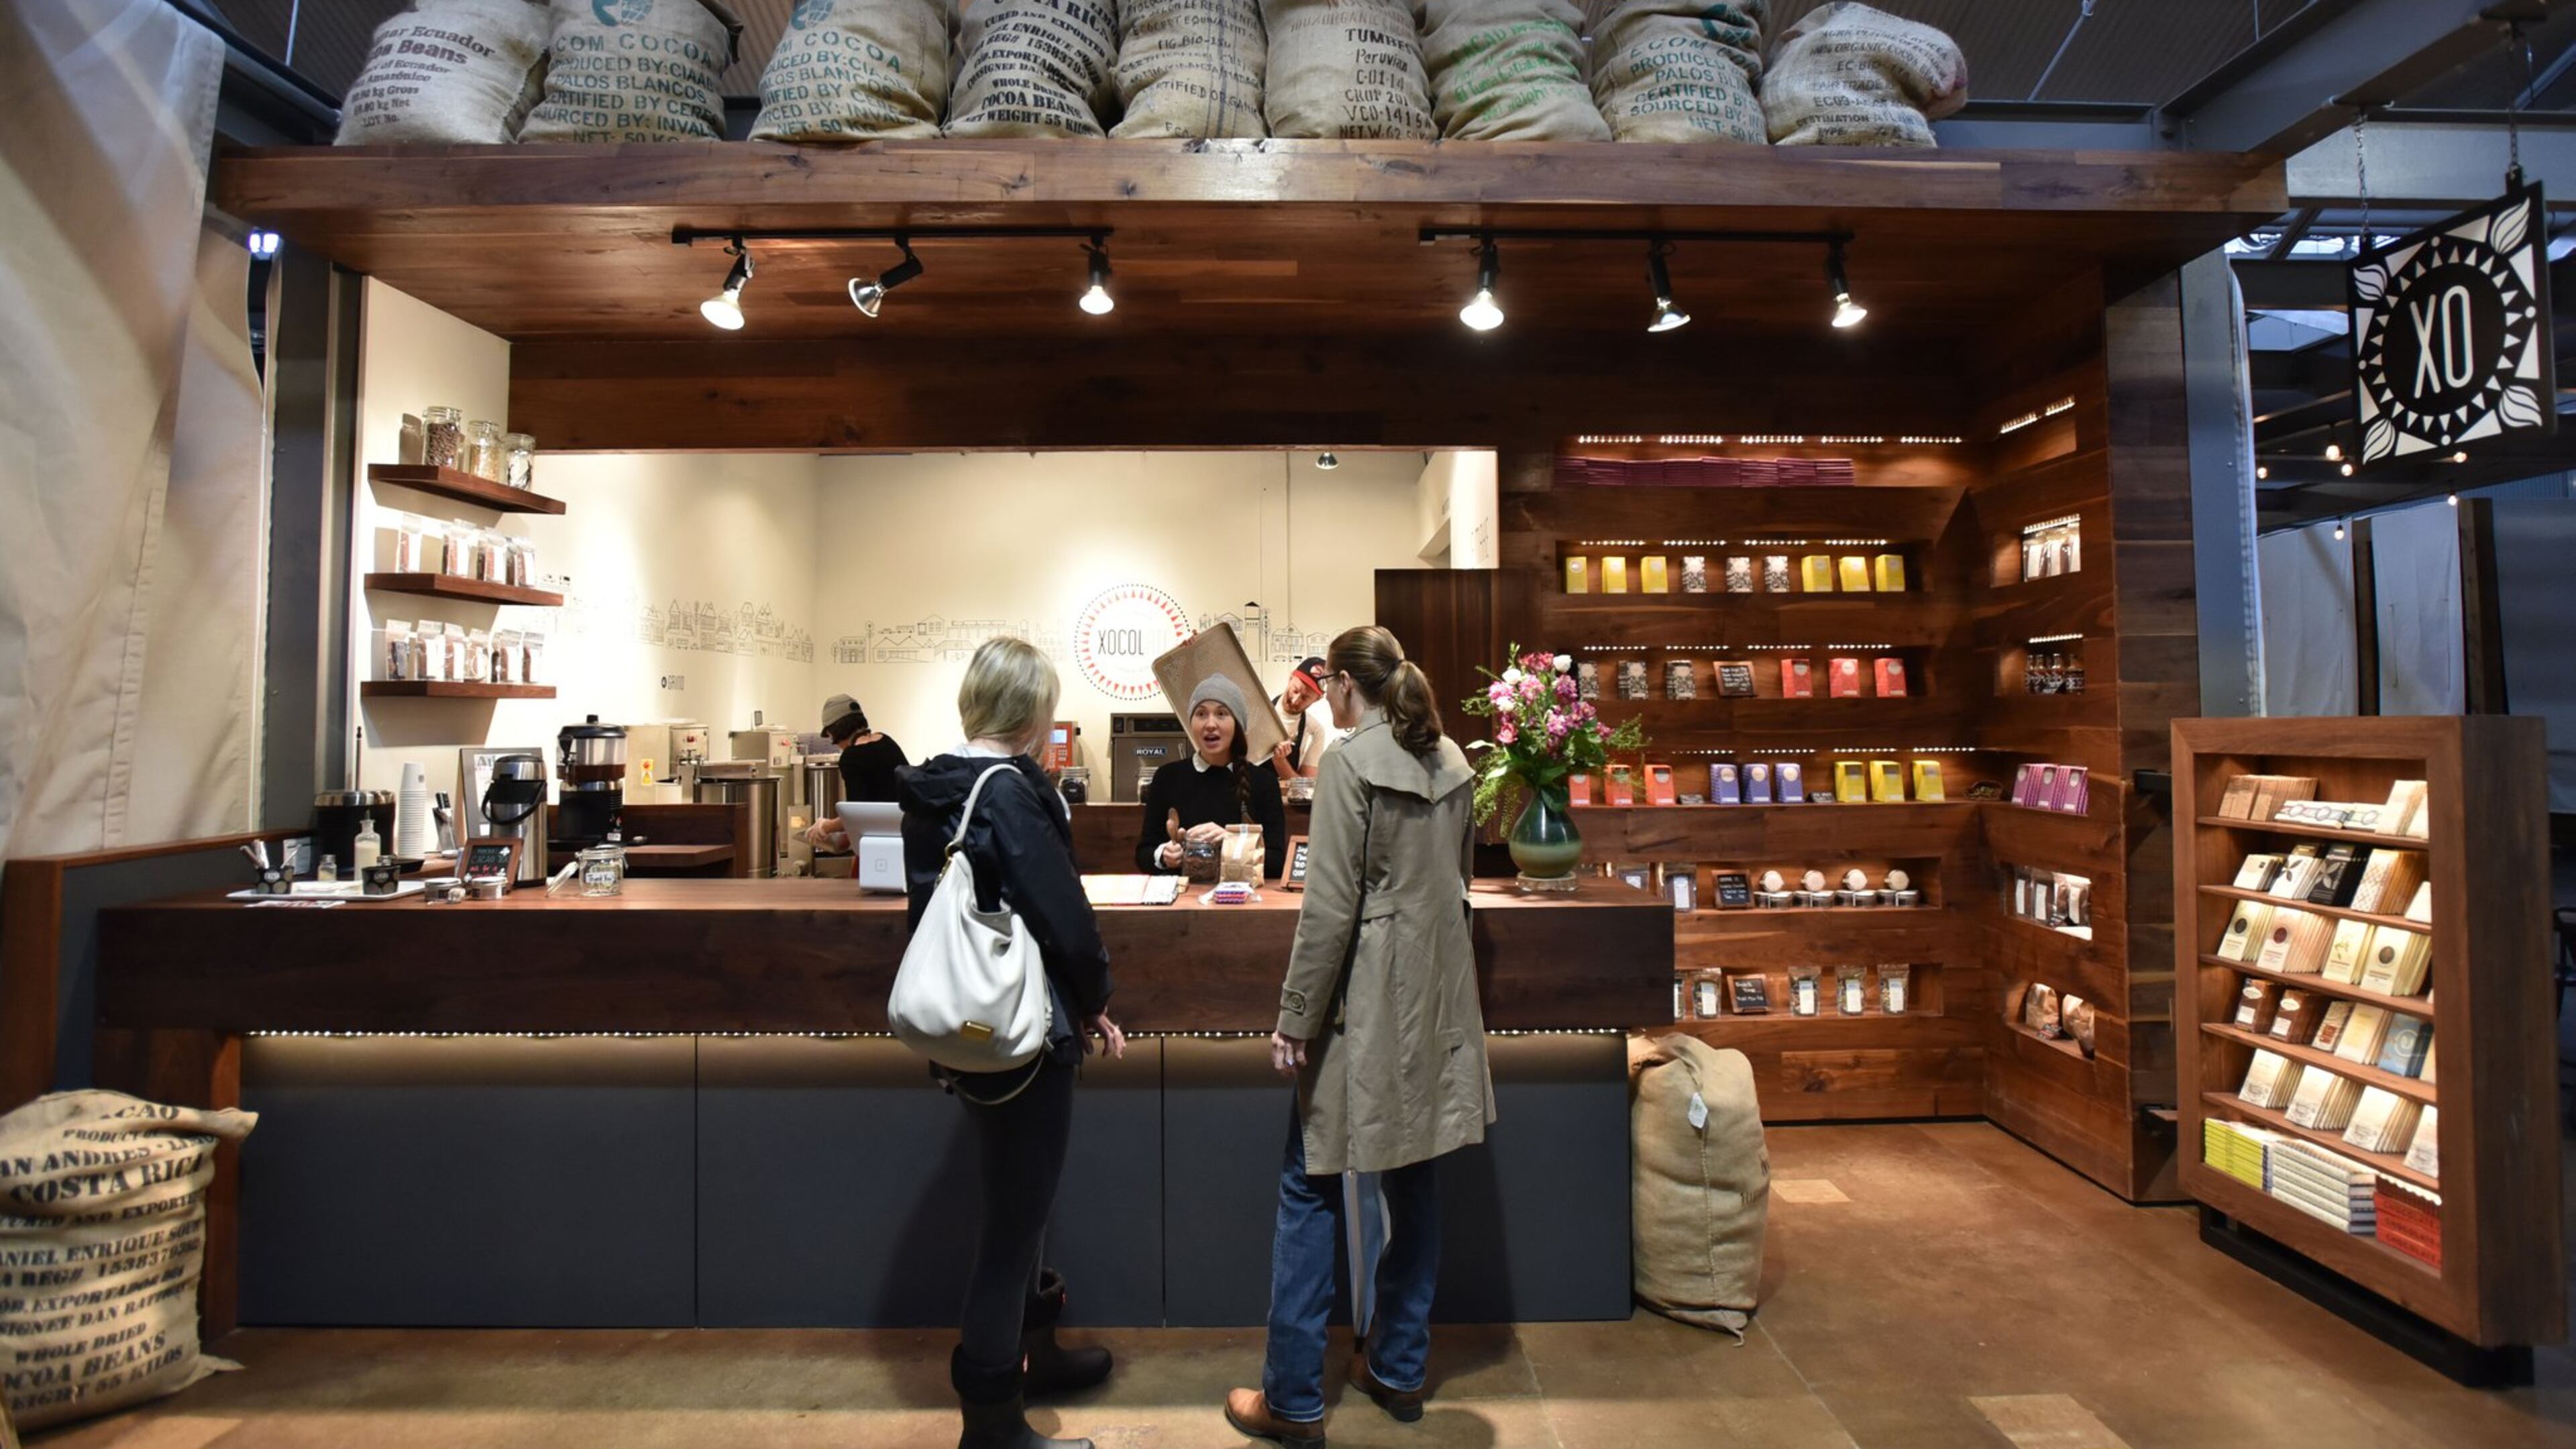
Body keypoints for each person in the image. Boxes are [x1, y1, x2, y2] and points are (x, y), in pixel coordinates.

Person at [1225, 626, 1493, 1446]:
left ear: (1343, 684)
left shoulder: (1349, 762)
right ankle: (1398, 1368)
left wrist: (1294, 1016)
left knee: (1309, 1181)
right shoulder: (1450, 759)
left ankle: (1293, 1397)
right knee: (1413, 1180)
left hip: (1367, 1002)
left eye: (1329, 687)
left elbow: (1330, 908)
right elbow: (1458, 884)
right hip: (1438, 997)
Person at [897, 638, 1125, 1449]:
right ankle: (992, 1421)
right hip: (1028, 1031)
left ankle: (1036, 1354)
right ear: (1032, 713)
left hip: (969, 1025)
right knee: (1013, 1225)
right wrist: (1096, 999)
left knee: (1019, 1208)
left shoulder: (935, 787)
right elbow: (1064, 916)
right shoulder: (1009, 793)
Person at [1133, 674, 1289, 879]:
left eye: (1221, 714)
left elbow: (1277, 862)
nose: (1210, 724)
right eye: (1201, 714)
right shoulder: (1167, 777)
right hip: (1184, 896)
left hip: (1240, 895)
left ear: (1238, 724)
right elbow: (1144, 853)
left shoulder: (1264, 782)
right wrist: (1164, 855)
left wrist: (1231, 843)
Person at [802, 693, 908, 851]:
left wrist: (825, 826)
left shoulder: (851, 757)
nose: (833, 742)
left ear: (837, 730)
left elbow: (856, 814)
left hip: (880, 844)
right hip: (908, 835)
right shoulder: (887, 741)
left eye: (830, 735)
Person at [1269, 656, 1343, 782]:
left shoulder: (1315, 731)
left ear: (1317, 699)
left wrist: (1280, 762)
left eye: (1305, 698)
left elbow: (1307, 786)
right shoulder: (1258, 711)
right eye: (1295, 690)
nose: (1295, 700)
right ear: (1290, 678)